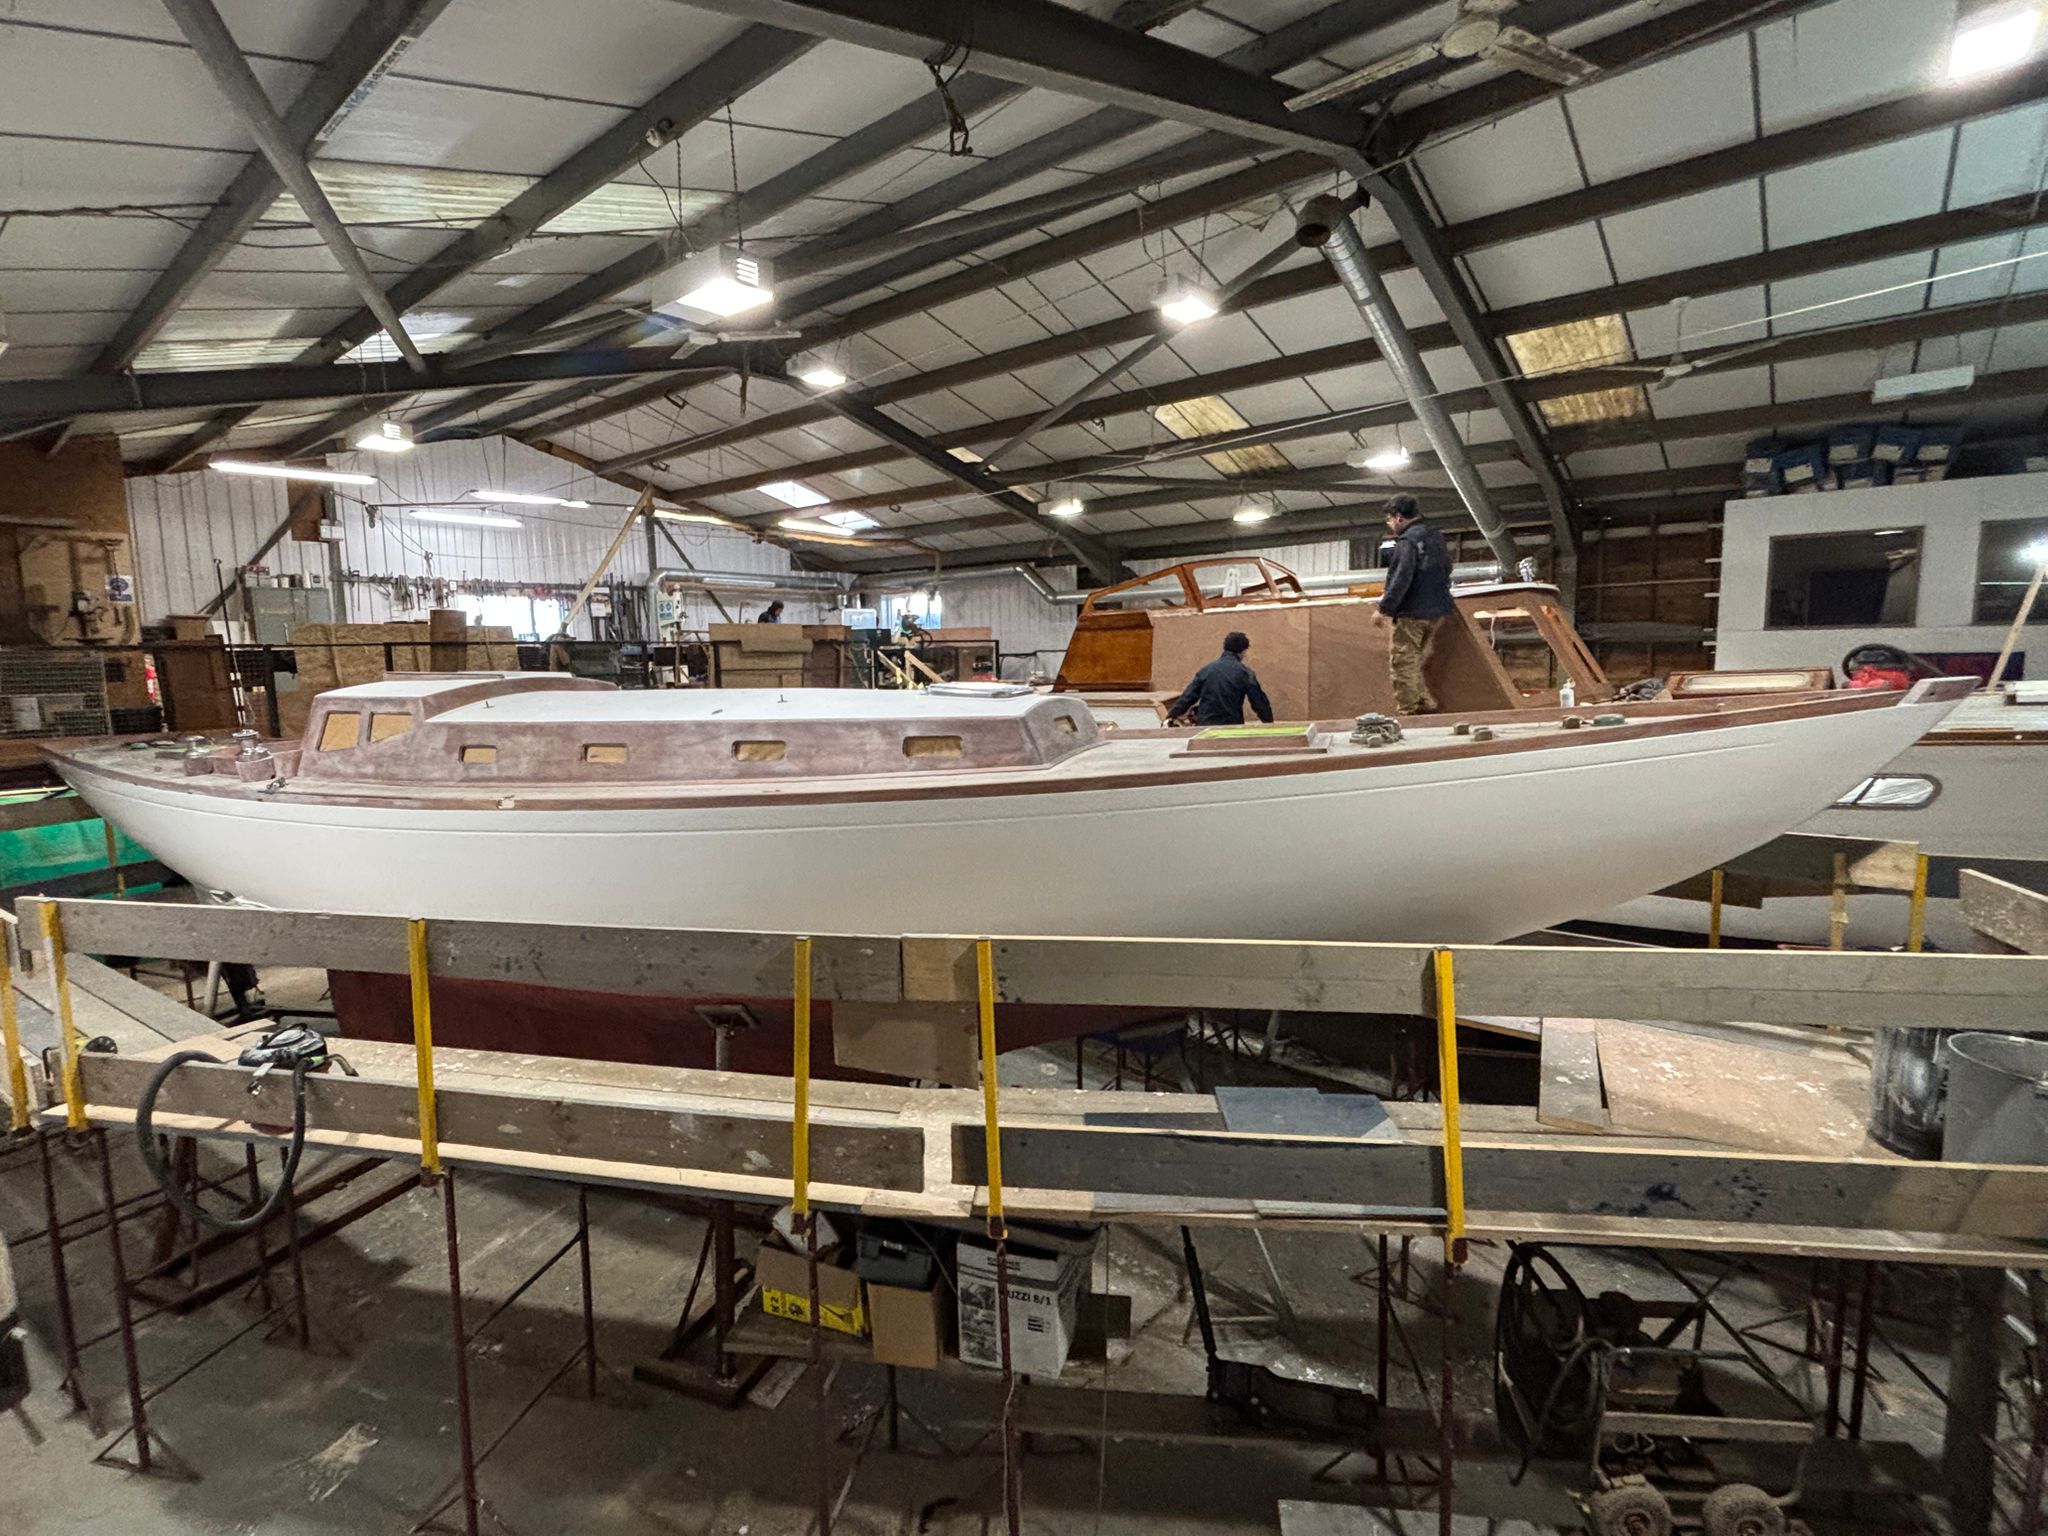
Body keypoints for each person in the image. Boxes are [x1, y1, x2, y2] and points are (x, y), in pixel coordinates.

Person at [1374, 495, 1454, 714]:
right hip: (1437, 610)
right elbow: (1447, 568)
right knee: (1415, 661)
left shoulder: (1407, 541)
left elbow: (1401, 578)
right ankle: (1426, 703)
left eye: (1389, 520)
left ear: (1399, 517)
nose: (1389, 524)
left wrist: (1383, 609)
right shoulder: (1435, 536)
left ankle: (1409, 711)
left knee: (1403, 664)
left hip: (1411, 612)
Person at [1166, 631, 1274, 727]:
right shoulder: (1245, 673)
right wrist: (1268, 721)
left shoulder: (1206, 670)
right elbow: (1259, 702)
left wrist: (1170, 716)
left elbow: (1188, 697)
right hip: (1230, 726)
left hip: (1205, 725)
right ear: (1244, 651)